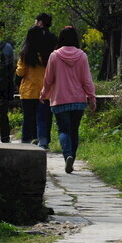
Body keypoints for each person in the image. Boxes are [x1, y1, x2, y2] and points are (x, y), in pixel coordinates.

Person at [40, 26, 96, 174]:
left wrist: (43, 93)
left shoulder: (54, 56)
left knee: (63, 130)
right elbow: (87, 80)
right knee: (74, 131)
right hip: (78, 101)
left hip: (60, 100)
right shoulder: (82, 56)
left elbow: (48, 79)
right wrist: (91, 97)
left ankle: (68, 156)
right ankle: (72, 157)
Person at [15, 18, 56, 147]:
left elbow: (20, 72)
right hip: (45, 91)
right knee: (43, 118)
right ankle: (43, 141)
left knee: (28, 118)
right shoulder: (48, 54)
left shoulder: (25, 54)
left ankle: (26, 141)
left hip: (28, 90)